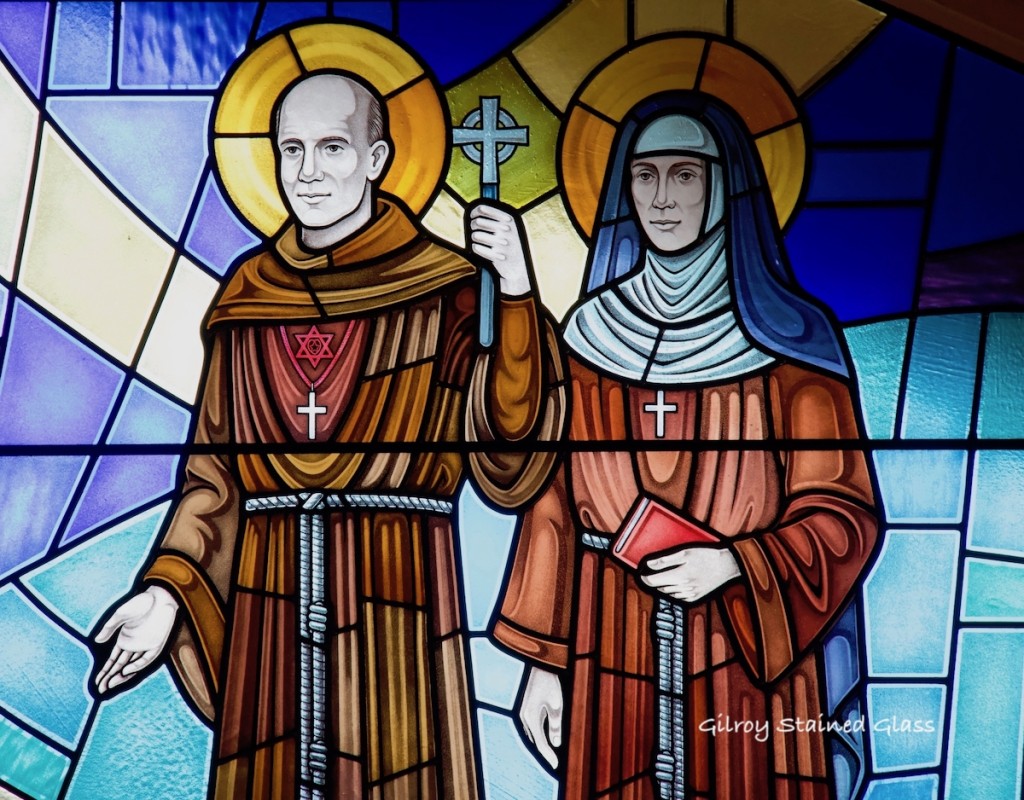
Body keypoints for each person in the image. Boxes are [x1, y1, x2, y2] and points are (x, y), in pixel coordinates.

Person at [93, 71, 565, 800]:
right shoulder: (249, 298)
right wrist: (167, 590)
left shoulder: (445, 290)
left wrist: (514, 290)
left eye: (333, 148)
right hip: (270, 598)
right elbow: (215, 479)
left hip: (395, 594)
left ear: (378, 159)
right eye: (292, 150)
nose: (308, 173)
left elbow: (509, 452)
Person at [492, 91, 880, 799]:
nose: (661, 198)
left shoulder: (791, 345)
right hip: (611, 639)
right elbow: (552, 505)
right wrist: (542, 662)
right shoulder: (589, 336)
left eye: (684, 175)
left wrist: (737, 562)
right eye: (644, 176)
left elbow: (842, 512)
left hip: (746, 650)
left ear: (726, 186)